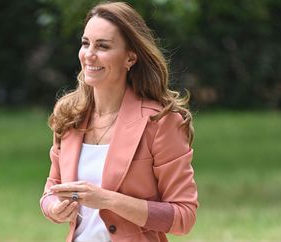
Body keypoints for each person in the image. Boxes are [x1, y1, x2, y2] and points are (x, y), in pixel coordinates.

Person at [40, 2, 198, 242]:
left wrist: (107, 199)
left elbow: (183, 216)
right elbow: (51, 190)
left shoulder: (161, 122)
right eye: (85, 43)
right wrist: (54, 208)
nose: (89, 54)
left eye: (102, 46)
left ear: (130, 58)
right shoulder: (69, 116)